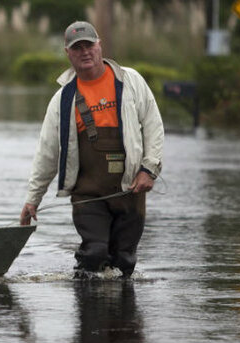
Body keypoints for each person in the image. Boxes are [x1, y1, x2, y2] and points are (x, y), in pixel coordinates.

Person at [20, 21, 164, 278]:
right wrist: (33, 199)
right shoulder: (62, 100)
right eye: (77, 48)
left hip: (131, 189)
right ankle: (87, 308)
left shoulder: (130, 81)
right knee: (94, 254)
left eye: (89, 45)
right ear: (68, 53)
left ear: (100, 46)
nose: (84, 52)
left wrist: (149, 169)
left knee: (124, 262)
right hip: (87, 195)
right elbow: (47, 153)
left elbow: (154, 126)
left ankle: (121, 317)